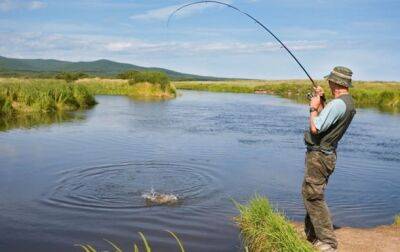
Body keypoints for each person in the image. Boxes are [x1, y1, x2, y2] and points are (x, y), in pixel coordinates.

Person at [302, 66, 356, 252]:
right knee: (309, 192)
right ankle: (311, 235)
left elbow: (316, 127)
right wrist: (323, 100)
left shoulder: (338, 104)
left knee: (314, 196)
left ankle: (327, 242)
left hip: (319, 156)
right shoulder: (346, 102)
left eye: (330, 80)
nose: (328, 82)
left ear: (337, 83)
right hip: (326, 154)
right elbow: (328, 120)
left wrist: (313, 107)